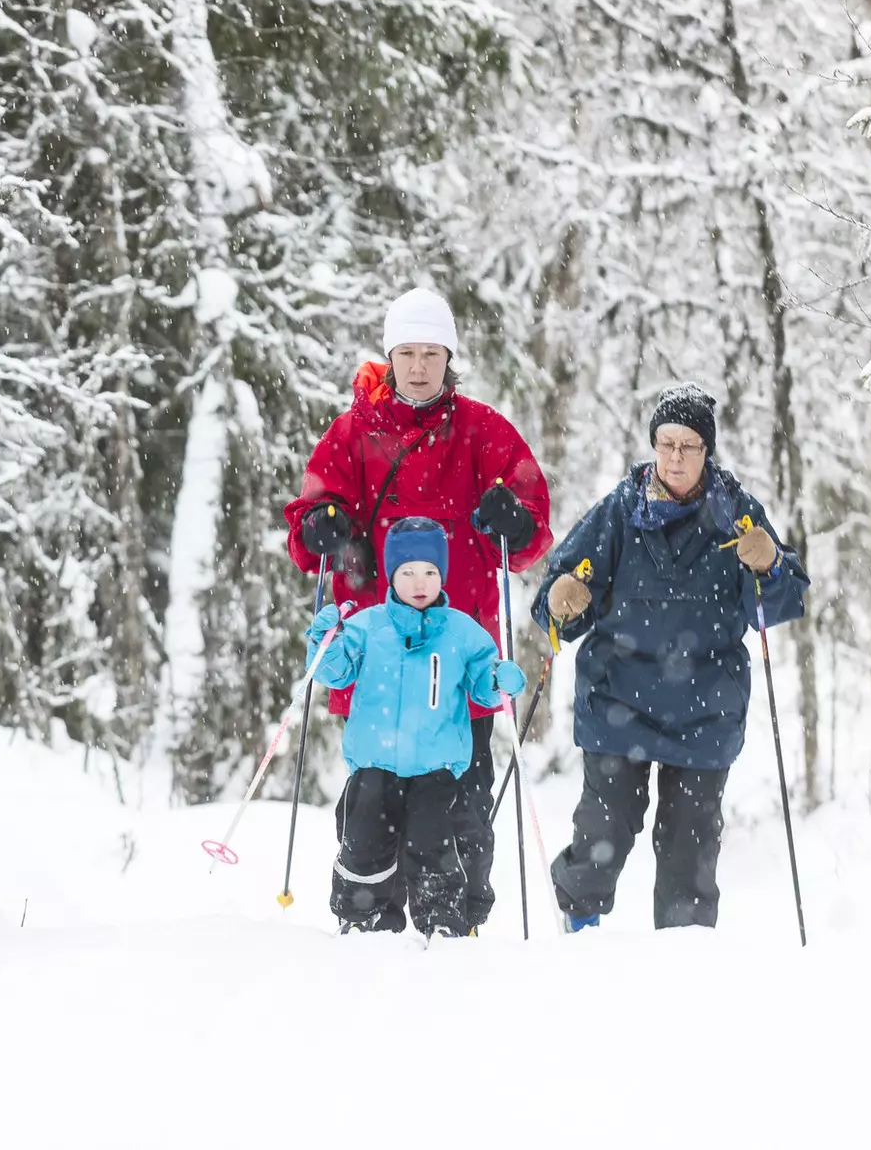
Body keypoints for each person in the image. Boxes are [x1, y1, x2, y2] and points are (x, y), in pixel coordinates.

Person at [284, 287, 553, 932]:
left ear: (449, 357)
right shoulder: (352, 434)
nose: (419, 366)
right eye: (407, 353)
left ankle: (455, 919)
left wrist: (514, 520)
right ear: (390, 356)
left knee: (459, 804)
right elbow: (307, 524)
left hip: (459, 663)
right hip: (374, 657)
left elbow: (533, 529)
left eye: (432, 353)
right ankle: (368, 915)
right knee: (373, 801)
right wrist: (322, 524)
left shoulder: (484, 432)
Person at [532, 385, 809, 930]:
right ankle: (579, 927)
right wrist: (562, 600)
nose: (676, 457)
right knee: (603, 835)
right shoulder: (619, 510)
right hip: (618, 698)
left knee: (690, 851)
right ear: (653, 446)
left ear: (707, 450)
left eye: (689, 445)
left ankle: (684, 960)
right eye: (666, 444)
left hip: (705, 705)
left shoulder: (736, 512)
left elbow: (782, 602)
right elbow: (557, 601)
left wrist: (771, 565)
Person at [306, 518, 524, 937]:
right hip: (376, 763)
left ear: (442, 575)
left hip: (435, 767)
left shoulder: (462, 632)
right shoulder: (367, 627)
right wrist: (324, 643)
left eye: (430, 572)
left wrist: (499, 681)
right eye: (407, 572)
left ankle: (441, 920)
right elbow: (332, 673)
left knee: (435, 843)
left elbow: (483, 684)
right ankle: (361, 915)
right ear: (391, 575)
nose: (419, 582)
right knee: (365, 841)